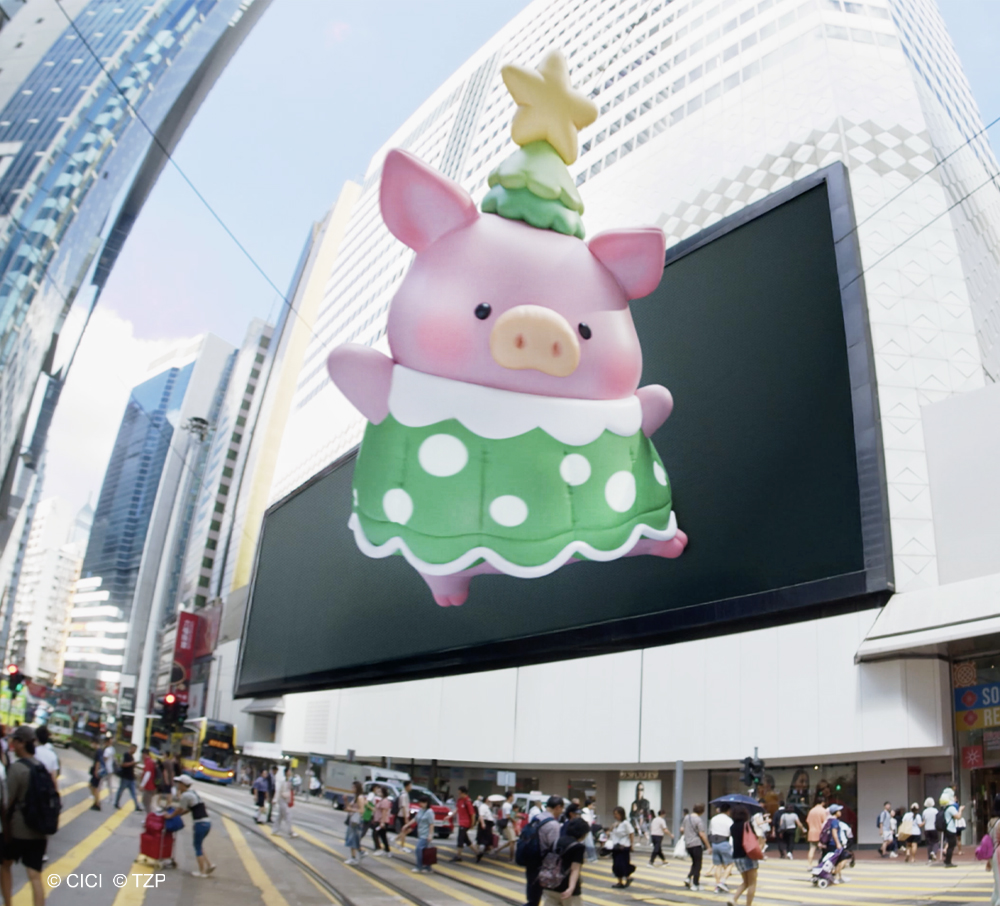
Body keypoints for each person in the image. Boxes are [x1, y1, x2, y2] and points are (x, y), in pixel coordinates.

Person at [1, 727, 47, 905]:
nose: (12, 743)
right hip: (40, 830)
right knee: (35, 875)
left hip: (18, 830)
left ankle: (8, 903)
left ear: (22, 743)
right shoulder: (40, 767)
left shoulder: (17, 768)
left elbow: (8, 800)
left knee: (5, 865)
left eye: (15, 740)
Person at [168, 774, 215, 877]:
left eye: (179, 783)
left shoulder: (186, 795)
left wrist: (170, 816)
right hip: (207, 822)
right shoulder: (193, 793)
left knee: (197, 847)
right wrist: (179, 814)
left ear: (183, 784)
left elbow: (180, 809)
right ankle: (209, 864)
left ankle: (202, 872)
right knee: (199, 844)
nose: (177, 785)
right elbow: (188, 809)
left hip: (200, 823)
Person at [526, 797, 564, 906]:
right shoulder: (553, 824)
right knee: (550, 898)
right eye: (562, 808)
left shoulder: (536, 818)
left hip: (531, 859)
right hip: (544, 865)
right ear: (558, 807)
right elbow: (555, 847)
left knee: (533, 898)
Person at [544, 817, 589, 905]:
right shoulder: (578, 847)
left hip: (550, 885)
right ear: (583, 833)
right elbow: (575, 869)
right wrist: (571, 888)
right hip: (566, 889)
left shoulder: (556, 841)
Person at [728, 805, 758, 906]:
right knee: (752, 883)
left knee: (745, 882)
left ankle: (733, 899)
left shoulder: (732, 827)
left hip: (737, 857)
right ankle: (748, 905)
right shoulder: (747, 825)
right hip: (748, 855)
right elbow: (755, 837)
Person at [401, 794, 435, 873]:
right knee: (425, 851)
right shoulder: (421, 810)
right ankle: (427, 867)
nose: (420, 804)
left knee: (418, 849)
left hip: (425, 835)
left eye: (422, 802)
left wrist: (430, 835)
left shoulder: (430, 812)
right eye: (420, 802)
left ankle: (419, 866)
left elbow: (431, 824)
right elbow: (415, 819)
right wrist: (407, 825)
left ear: (426, 803)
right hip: (421, 833)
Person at [682, 803, 709, 892]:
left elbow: (681, 829)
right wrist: (708, 846)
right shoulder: (698, 820)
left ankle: (688, 878)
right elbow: (702, 834)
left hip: (688, 844)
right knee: (698, 865)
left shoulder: (687, 817)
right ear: (702, 811)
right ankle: (695, 884)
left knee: (694, 863)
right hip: (696, 844)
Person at [607, 806, 635, 888]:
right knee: (616, 865)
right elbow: (611, 833)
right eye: (614, 814)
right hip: (616, 847)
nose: (615, 816)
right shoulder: (616, 823)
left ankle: (627, 878)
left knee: (622, 864)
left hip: (623, 847)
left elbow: (631, 833)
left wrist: (632, 844)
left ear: (621, 814)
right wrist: (612, 827)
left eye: (617, 814)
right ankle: (620, 882)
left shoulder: (626, 823)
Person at [709, 803, 734, 893]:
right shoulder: (729, 820)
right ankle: (722, 882)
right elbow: (731, 832)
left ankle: (717, 885)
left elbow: (710, 830)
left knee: (718, 865)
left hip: (714, 843)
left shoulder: (713, 819)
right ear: (728, 810)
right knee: (731, 863)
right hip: (724, 842)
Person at [824, 803, 849, 884]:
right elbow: (834, 833)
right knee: (844, 860)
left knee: (837, 861)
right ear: (835, 812)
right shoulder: (835, 821)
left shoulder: (830, 820)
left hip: (831, 844)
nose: (840, 812)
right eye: (839, 811)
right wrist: (838, 843)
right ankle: (834, 875)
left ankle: (840, 877)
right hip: (834, 844)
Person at [453, 786, 479, 862]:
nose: (459, 795)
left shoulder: (468, 801)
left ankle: (458, 855)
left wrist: (472, 824)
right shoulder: (459, 800)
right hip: (461, 822)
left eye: (460, 793)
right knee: (466, 839)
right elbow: (457, 809)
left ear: (464, 793)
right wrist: (449, 816)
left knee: (460, 839)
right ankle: (478, 853)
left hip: (466, 823)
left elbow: (472, 814)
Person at [345, 781, 367, 865]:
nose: (352, 789)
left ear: (357, 788)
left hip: (356, 820)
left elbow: (362, 810)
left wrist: (351, 809)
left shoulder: (360, 797)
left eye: (353, 787)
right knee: (352, 838)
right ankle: (360, 852)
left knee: (352, 838)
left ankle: (354, 857)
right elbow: (348, 807)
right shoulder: (355, 797)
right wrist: (345, 800)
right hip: (353, 819)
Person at [114, 743, 140, 810]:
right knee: (121, 790)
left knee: (134, 793)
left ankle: (137, 806)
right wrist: (132, 763)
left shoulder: (132, 757)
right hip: (125, 777)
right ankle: (116, 803)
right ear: (131, 748)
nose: (135, 751)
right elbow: (123, 764)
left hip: (131, 778)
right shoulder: (126, 755)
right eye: (134, 749)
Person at [941, 788, 962, 868]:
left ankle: (947, 860)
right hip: (951, 829)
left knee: (950, 844)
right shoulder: (951, 808)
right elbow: (958, 816)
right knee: (951, 846)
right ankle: (948, 862)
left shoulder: (945, 808)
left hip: (947, 828)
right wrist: (960, 810)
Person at [273, 771, 298, 838]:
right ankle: (290, 832)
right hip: (282, 799)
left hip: (286, 800)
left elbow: (290, 790)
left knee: (279, 816)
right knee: (288, 815)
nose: (290, 773)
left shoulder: (289, 780)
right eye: (289, 772)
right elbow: (278, 790)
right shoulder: (282, 780)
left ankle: (275, 830)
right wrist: (275, 799)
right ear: (286, 772)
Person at [806, 796, 828, 867]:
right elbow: (825, 823)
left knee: (812, 849)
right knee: (824, 850)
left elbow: (808, 821)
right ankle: (822, 865)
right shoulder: (823, 811)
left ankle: (809, 865)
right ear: (823, 803)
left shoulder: (811, 811)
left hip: (812, 832)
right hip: (820, 833)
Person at [371, 786, 391, 855]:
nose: (378, 792)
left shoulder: (385, 801)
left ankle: (379, 848)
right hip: (379, 820)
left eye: (380, 791)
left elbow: (384, 812)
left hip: (381, 821)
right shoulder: (382, 800)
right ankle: (387, 850)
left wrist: (382, 822)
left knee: (375, 834)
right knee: (383, 836)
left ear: (383, 792)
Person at [498, 792, 518, 861]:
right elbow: (508, 816)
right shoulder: (507, 805)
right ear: (510, 797)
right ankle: (511, 858)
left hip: (509, 824)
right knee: (512, 841)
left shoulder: (508, 805)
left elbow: (511, 814)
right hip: (508, 825)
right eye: (513, 796)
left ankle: (498, 849)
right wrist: (514, 820)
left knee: (511, 841)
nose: (513, 798)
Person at [476, 796, 495, 862]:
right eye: (489, 800)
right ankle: (478, 852)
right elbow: (481, 815)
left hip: (488, 823)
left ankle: (486, 850)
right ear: (486, 800)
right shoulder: (483, 806)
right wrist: (483, 823)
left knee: (488, 838)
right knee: (482, 838)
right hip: (485, 823)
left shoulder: (487, 807)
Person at [394, 780, 412, 845]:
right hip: (403, 815)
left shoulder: (405, 794)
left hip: (404, 815)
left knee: (405, 830)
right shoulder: (404, 795)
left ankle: (396, 840)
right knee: (406, 830)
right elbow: (404, 806)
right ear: (407, 786)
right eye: (410, 786)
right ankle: (401, 845)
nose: (411, 787)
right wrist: (406, 818)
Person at [139, 748, 158, 813]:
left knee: (146, 803)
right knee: (147, 802)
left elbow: (148, 774)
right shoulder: (150, 761)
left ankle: (150, 816)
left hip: (149, 786)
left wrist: (142, 785)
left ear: (144, 754)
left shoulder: (148, 762)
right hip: (151, 786)